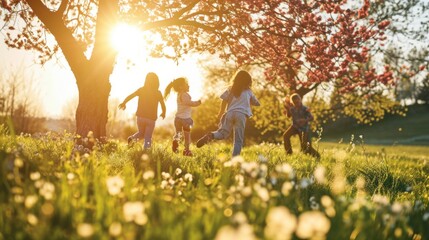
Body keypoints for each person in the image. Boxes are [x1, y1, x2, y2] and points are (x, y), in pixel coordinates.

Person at [197, 70, 260, 156]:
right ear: (248, 81)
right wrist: (250, 101)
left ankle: (211, 135)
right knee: (238, 139)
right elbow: (257, 103)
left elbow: (223, 100)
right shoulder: (248, 91)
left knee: (222, 134)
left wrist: (221, 112)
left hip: (229, 113)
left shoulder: (231, 89)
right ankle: (235, 158)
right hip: (241, 115)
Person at [118, 72, 166, 149]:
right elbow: (163, 104)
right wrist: (164, 112)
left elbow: (131, 96)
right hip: (151, 118)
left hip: (140, 117)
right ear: (157, 82)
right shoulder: (158, 93)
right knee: (147, 136)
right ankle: (146, 151)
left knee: (141, 133)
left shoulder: (141, 90)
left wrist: (124, 102)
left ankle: (132, 139)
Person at [164, 77, 201, 156]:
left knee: (179, 134)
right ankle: (186, 151)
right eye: (186, 84)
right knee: (187, 137)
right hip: (186, 120)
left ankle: (176, 141)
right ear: (181, 87)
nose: (189, 85)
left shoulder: (179, 94)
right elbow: (189, 103)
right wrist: (197, 103)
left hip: (177, 119)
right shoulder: (184, 95)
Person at [283, 93, 320, 158]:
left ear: (300, 100)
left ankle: (317, 156)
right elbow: (288, 115)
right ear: (292, 102)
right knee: (286, 136)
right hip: (295, 127)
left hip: (304, 129)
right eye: (294, 102)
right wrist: (287, 109)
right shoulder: (292, 108)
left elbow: (312, 118)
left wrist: (304, 120)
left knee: (305, 147)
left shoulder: (305, 108)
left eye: (297, 101)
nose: (297, 103)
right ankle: (289, 154)